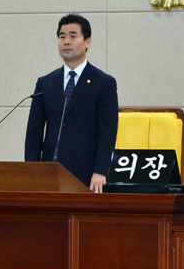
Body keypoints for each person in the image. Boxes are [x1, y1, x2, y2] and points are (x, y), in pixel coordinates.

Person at [24, 14, 118, 193]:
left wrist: (100, 171)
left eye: (73, 36)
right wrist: (31, 171)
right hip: (49, 173)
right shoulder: (45, 83)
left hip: (87, 173)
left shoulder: (104, 83)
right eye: (62, 36)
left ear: (87, 42)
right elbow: (34, 133)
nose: (66, 41)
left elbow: (108, 132)